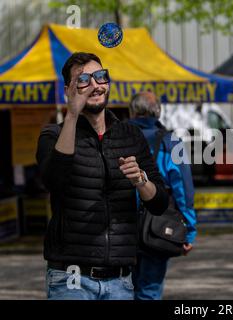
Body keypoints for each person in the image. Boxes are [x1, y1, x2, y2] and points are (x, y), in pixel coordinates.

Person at [36, 52, 169, 300]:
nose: (95, 85)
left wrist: (141, 180)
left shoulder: (130, 135)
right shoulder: (53, 135)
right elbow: (53, 181)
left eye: (100, 76)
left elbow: (159, 203)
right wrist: (72, 115)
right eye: (84, 80)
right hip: (70, 279)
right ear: (69, 90)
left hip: (121, 280)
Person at [128, 91, 197, 300]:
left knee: (120, 289)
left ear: (132, 111)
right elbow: (183, 190)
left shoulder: (117, 137)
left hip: (120, 227)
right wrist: (189, 229)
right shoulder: (171, 142)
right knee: (149, 290)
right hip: (157, 227)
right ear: (158, 112)